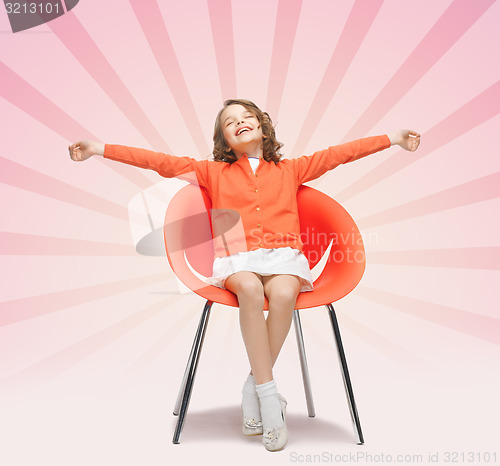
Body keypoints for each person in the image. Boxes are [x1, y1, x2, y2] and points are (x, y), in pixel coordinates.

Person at [69, 98, 420, 451]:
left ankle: (254, 386)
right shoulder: (212, 173)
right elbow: (159, 162)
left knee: (284, 294)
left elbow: (340, 153)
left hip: (285, 258)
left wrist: (393, 138)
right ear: (224, 140)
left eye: (247, 116)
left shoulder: (291, 169)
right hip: (237, 259)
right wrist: (98, 149)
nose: (240, 123)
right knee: (250, 290)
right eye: (229, 122)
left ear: (263, 127)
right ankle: (270, 401)